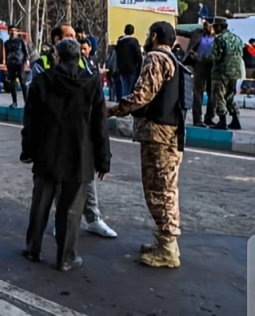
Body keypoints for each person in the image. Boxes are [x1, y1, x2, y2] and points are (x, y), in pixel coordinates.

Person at [21, 39, 111, 271]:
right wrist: (103, 161)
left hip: (47, 153)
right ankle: (66, 258)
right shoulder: (91, 83)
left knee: (40, 204)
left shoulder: (42, 81)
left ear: (57, 57)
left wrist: (27, 151)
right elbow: (99, 126)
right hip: (79, 157)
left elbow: (31, 122)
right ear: (79, 57)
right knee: (71, 210)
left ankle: (33, 248)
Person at [108, 21, 185, 268]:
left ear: (154, 36)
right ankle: (166, 242)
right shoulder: (173, 60)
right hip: (170, 134)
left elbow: (142, 96)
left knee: (159, 191)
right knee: (166, 189)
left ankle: (167, 250)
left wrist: (113, 110)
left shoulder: (155, 58)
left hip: (158, 136)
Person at [179, 20, 216, 127]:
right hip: (199, 64)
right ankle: (197, 119)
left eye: (208, 25)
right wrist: (173, 29)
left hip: (213, 65)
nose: (206, 26)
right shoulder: (198, 32)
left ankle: (209, 117)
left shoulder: (219, 36)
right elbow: (185, 33)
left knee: (212, 93)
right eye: (205, 24)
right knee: (198, 92)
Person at [210, 16, 244, 130]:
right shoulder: (237, 38)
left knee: (219, 95)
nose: (214, 29)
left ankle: (222, 121)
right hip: (236, 71)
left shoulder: (220, 38)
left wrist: (200, 57)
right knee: (230, 96)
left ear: (219, 26)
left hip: (222, 71)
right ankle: (235, 120)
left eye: (215, 26)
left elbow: (216, 56)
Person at [115, 24, 143, 98]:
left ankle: (124, 101)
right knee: (132, 88)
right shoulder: (134, 42)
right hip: (133, 69)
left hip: (122, 69)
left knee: (124, 88)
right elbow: (138, 55)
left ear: (124, 31)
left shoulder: (119, 42)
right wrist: (139, 65)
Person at [4, 27, 29, 107]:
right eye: (11, 31)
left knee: (23, 83)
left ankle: (26, 102)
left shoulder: (21, 41)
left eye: (14, 31)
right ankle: (14, 102)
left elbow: (26, 53)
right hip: (11, 64)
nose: (12, 32)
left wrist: (24, 62)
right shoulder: (7, 43)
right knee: (12, 84)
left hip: (20, 64)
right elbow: (6, 54)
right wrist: (7, 63)